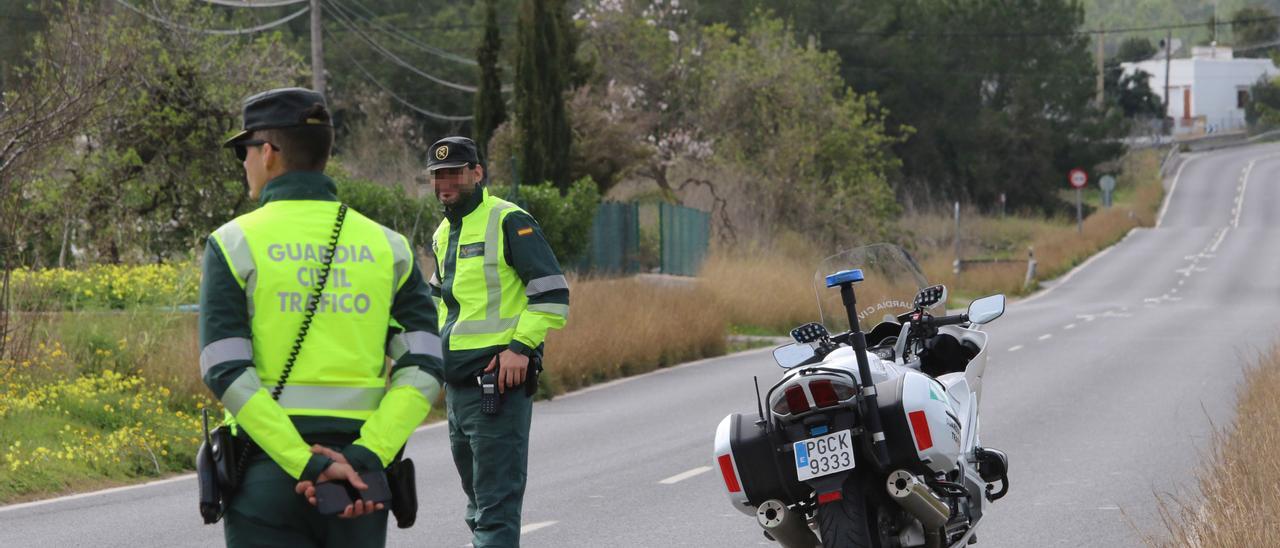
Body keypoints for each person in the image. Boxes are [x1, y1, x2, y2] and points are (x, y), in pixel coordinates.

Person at [199, 87, 443, 547]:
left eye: (243, 152)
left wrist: (307, 464)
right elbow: (426, 367)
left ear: (268, 153)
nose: (244, 164)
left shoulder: (233, 243)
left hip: (266, 470)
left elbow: (224, 369)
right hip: (360, 479)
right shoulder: (388, 247)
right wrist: (368, 454)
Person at [426, 136, 570, 547]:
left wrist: (520, 348)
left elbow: (552, 294)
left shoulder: (509, 221)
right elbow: (442, 302)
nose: (444, 182)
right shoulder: (443, 232)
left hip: (497, 388)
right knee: (477, 508)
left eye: (454, 172)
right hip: (458, 390)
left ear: (477, 173)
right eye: (437, 175)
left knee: (494, 510)